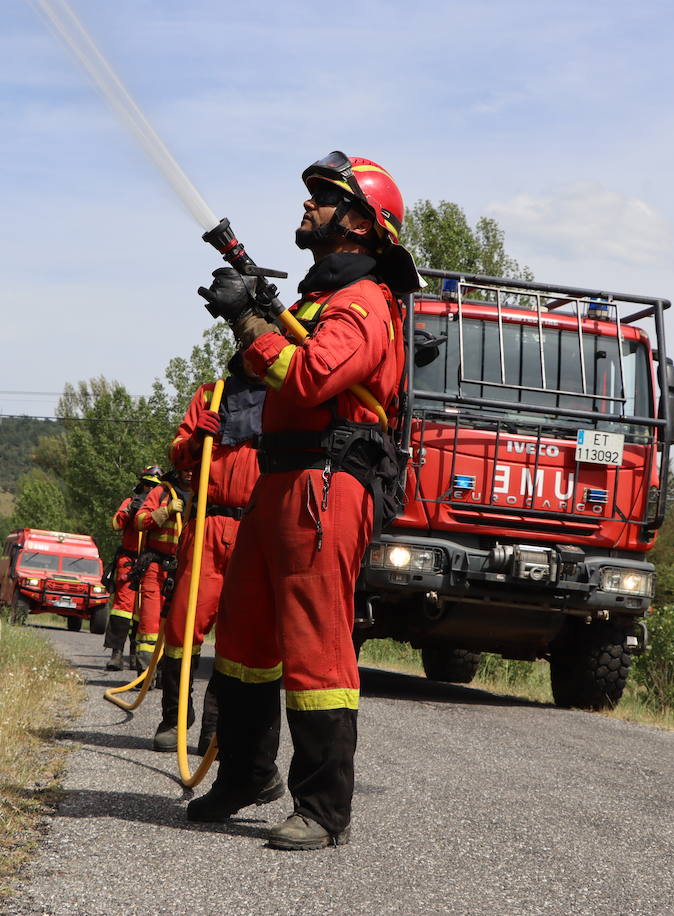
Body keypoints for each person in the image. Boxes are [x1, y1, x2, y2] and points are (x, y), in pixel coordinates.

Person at [187, 152, 418, 850]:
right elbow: (271, 369)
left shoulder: (364, 302)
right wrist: (253, 317)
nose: (308, 206)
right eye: (313, 196)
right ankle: (246, 775)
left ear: (359, 224)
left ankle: (323, 809)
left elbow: (312, 374)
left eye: (324, 199)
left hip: (326, 484)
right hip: (279, 480)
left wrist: (250, 323)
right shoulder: (319, 301)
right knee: (247, 635)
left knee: (316, 644)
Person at [152, 375, 263, 752]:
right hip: (207, 526)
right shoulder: (212, 394)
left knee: (240, 638)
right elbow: (177, 451)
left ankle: (214, 732)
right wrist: (197, 439)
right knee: (182, 628)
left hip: (255, 529)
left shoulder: (288, 397)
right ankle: (174, 719)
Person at [102, 466, 162, 671]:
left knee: (143, 612)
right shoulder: (130, 501)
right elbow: (114, 524)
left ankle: (137, 656)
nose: (149, 489)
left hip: (150, 562)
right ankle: (116, 654)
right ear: (140, 483)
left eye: (154, 486)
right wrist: (129, 511)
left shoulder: (161, 505)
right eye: (147, 484)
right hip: (128, 560)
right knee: (123, 608)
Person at [130, 468, 186, 673]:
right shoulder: (162, 491)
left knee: (176, 626)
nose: (188, 472)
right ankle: (145, 672)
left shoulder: (202, 492)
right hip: (155, 566)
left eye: (192, 468)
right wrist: (166, 511)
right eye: (185, 468)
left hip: (182, 569)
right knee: (150, 623)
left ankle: (166, 673)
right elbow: (139, 521)